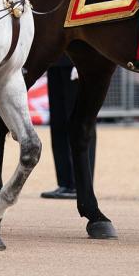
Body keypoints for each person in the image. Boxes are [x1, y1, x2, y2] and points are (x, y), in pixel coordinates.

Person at [39, 57, 96, 199]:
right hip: (55, 61)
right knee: (58, 124)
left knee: (81, 123)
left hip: (76, 61)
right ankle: (65, 183)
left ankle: (82, 184)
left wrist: (82, 63)